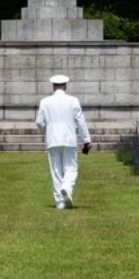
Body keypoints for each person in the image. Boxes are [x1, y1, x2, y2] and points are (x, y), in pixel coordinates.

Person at [35, 74, 92, 209]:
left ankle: (60, 202)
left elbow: (39, 122)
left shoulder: (45, 102)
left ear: (53, 86)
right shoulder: (73, 101)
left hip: (52, 139)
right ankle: (66, 187)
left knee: (56, 170)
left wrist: (47, 130)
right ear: (65, 86)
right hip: (69, 138)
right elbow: (80, 121)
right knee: (71, 168)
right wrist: (86, 140)